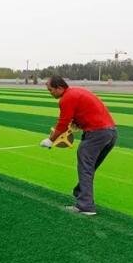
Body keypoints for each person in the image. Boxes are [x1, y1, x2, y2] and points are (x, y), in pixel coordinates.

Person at [41, 76, 117, 216]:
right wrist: (79, 123)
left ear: (59, 88)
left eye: (50, 90)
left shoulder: (66, 98)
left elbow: (63, 123)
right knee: (89, 167)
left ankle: (86, 206)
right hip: (111, 133)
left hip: (96, 134)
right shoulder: (76, 92)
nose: (50, 93)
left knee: (85, 167)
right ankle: (79, 192)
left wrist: (50, 140)